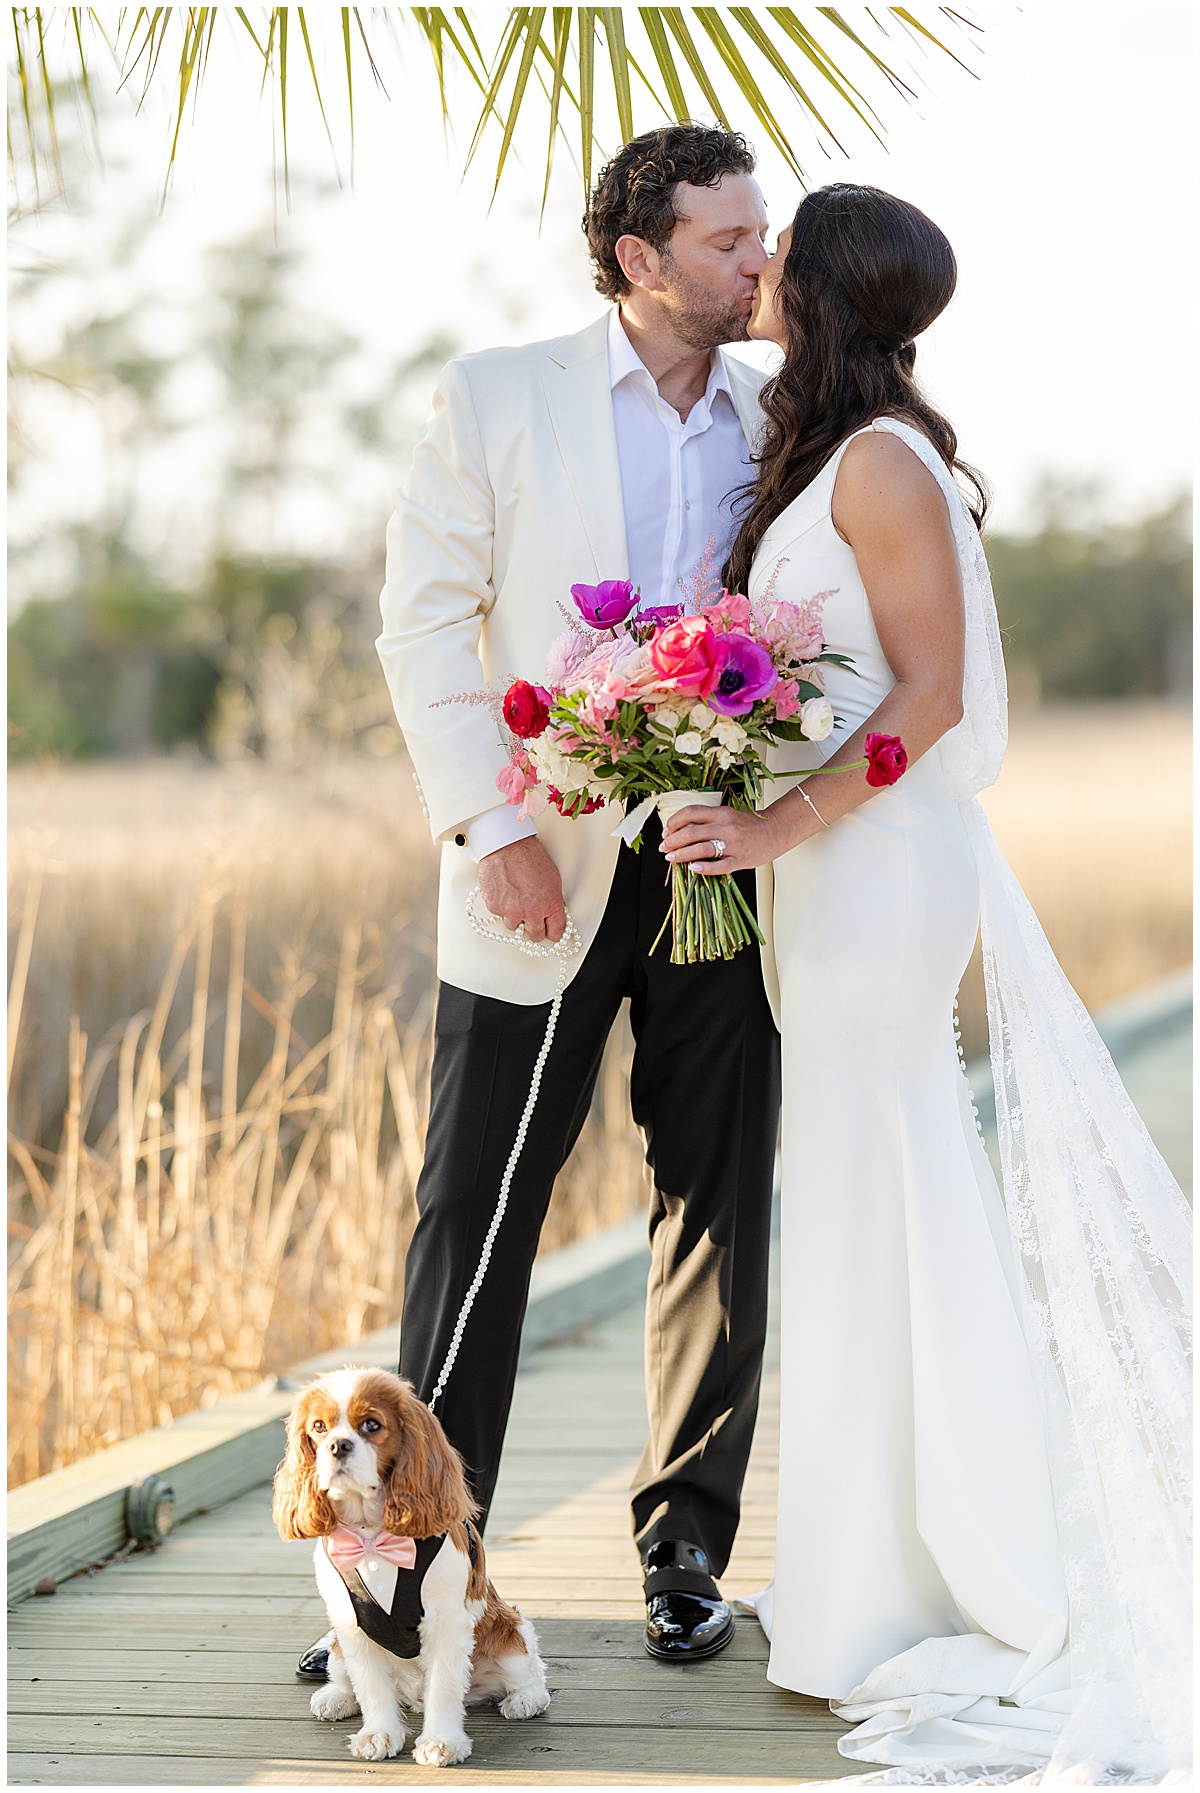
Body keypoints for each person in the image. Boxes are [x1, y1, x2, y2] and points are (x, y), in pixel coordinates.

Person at [662, 184, 1191, 1781]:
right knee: (852, 1194)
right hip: (832, 873)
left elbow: (933, 691)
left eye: (774, 252)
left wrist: (775, 815)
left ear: (822, 286)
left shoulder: (883, 463)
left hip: (876, 872)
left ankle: (935, 1574)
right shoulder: (837, 451)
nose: (752, 271)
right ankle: (861, 1566)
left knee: (880, 1179)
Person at [296, 123, 780, 1683]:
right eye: (727, 241)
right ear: (641, 262)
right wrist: (485, 818)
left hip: (728, 867)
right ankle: (402, 1577)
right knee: (475, 1217)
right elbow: (422, 618)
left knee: (719, 1198)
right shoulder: (500, 395)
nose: (757, 262)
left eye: (758, 235)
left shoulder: (792, 417)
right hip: (532, 867)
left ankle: (687, 1549)